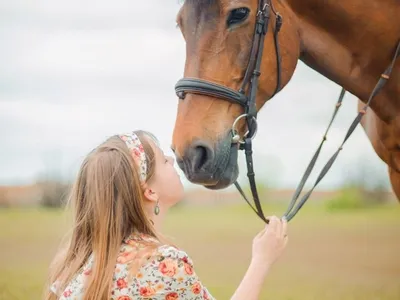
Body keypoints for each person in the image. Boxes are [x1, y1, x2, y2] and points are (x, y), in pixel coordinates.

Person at [44, 130, 288, 300]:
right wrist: (262, 259)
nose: (172, 158)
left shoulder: (74, 267)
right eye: (162, 160)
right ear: (149, 191)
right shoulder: (162, 265)